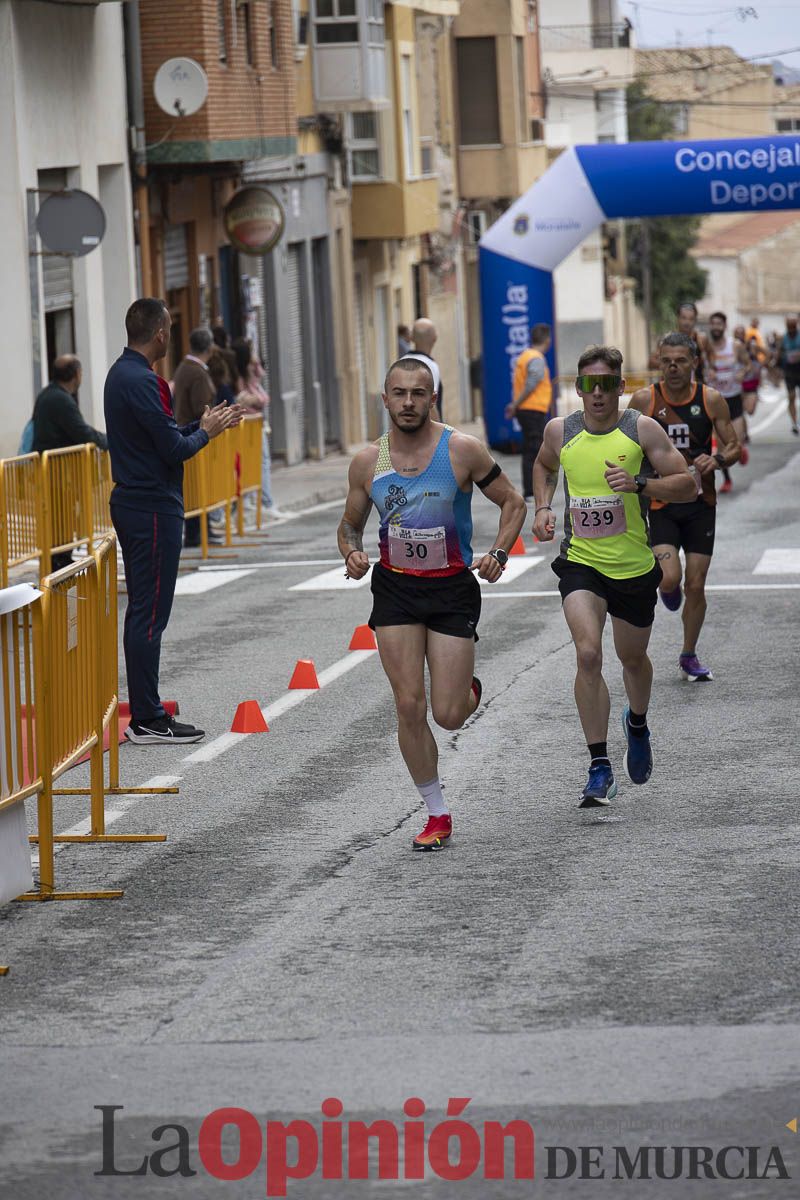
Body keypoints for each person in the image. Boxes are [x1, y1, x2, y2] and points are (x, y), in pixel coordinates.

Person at [337, 357, 526, 849]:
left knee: (447, 713)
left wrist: (500, 551)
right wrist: (352, 553)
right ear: (384, 400)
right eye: (398, 393)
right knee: (407, 704)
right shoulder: (369, 461)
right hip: (396, 589)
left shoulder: (460, 450)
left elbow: (513, 502)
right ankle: (436, 812)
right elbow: (349, 524)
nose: (407, 402)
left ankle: (467, 691)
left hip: (450, 590)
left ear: (432, 398)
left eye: (417, 393)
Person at [532, 345, 695, 808]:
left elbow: (686, 485)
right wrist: (543, 506)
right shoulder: (560, 431)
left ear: (620, 388)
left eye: (606, 384)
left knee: (633, 660)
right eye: (588, 384)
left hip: (634, 568)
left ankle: (638, 723)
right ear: (578, 388)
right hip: (581, 562)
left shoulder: (640, 429)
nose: (597, 393)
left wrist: (640, 483)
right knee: (587, 655)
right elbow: (544, 464)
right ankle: (599, 766)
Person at [104, 298, 242, 744]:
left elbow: (161, 436)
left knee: (145, 609)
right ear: (161, 333)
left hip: (139, 501)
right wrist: (206, 433)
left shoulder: (122, 374)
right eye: (168, 330)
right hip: (150, 506)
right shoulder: (144, 381)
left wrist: (198, 424)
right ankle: (146, 717)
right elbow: (173, 450)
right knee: (149, 612)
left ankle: (149, 711)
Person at [628, 333, 740, 682]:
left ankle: (688, 653)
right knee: (670, 578)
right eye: (666, 361)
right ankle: (667, 587)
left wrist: (717, 459)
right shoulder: (645, 399)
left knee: (696, 584)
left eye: (680, 360)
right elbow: (625, 444)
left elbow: (734, 446)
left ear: (694, 362)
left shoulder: (711, 399)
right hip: (661, 501)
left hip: (701, 503)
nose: (672, 367)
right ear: (658, 362)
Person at [33, 354, 108, 571]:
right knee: (61, 515)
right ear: (75, 374)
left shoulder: (48, 395)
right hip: (58, 470)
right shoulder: (60, 399)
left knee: (60, 514)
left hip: (56, 469)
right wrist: (107, 441)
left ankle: (60, 557)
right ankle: (59, 559)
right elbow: (81, 431)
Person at [232, 338, 289, 519]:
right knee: (258, 462)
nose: (253, 360)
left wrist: (254, 358)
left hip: (256, 425)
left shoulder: (251, 378)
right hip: (247, 426)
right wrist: (254, 401)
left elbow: (262, 392)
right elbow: (248, 400)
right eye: (249, 355)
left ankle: (256, 499)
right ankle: (263, 501)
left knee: (260, 462)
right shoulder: (239, 379)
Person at [172, 328, 218, 548]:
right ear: (209, 348)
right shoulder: (197, 372)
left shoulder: (183, 368)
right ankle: (198, 532)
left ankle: (200, 529)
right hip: (194, 432)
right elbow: (202, 407)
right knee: (198, 485)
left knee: (193, 486)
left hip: (187, 430)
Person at [504, 322, 552, 501]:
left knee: (530, 449)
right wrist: (515, 404)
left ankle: (531, 491)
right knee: (534, 451)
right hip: (533, 409)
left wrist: (516, 405)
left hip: (527, 410)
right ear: (547, 340)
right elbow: (532, 383)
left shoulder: (525, 356)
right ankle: (531, 492)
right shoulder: (536, 358)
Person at [705, 311, 749, 488]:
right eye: (713, 323)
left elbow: (748, 363)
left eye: (719, 323)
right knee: (723, 446)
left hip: (733, 398)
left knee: (736, 441)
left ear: (724, 326)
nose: (716, 327)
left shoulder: (735, 345)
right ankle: (727, 479)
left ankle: (741, 449)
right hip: (715, 400)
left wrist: (742, 372)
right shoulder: (705, 347)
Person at [411, 317, 443, 419]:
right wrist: (443, 434)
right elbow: (430, 405)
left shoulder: (400, 362)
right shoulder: (430, 366)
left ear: (412, 338)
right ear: (435, 338)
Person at [774, 313, 800, 435]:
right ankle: (794, 423)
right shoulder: (782, 338)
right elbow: (778, 355)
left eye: (793, 326)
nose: (791, 329)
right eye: (789, 327)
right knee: (791, 397)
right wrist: (777, 368)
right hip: (789, 372)